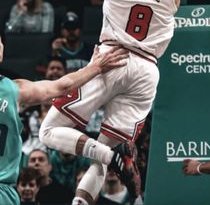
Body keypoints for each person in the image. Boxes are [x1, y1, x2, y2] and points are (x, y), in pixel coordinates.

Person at [39, 0, 186, 204]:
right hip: (147, 72)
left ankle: (111, 159)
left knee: (46, 133)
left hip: (112, 60)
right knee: (102, 150)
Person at [0, 36, 128, 205]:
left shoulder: (14, 89)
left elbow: (62, 87)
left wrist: (95, 67)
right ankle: (110, 156)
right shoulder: (14, 89)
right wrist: (95, 67)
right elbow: (62, 87)